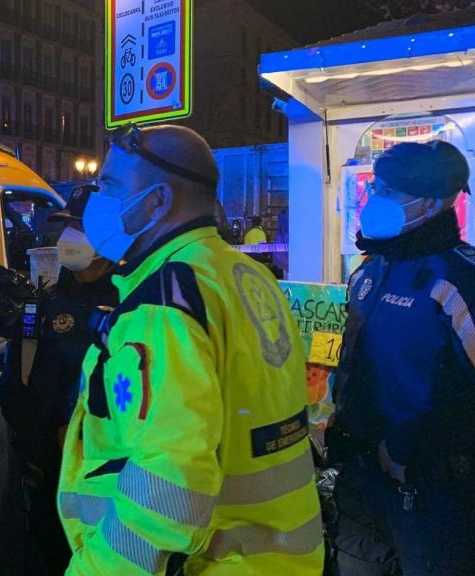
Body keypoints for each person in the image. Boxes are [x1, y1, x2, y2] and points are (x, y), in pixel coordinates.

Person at [57, 125, 323, 575]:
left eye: (111, 185)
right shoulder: (247, 275)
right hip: (280, 557)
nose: (99, 198)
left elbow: (167, 481)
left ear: (157, 201)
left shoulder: (165, 303)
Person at [328, 141, 475, 576]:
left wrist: (414, 447)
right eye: (376, 187)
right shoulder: (368, 272)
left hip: (433, 497)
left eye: (389, 191)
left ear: (430, 202)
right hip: (358, 485)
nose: (375, 200)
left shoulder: (458, 279)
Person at [18, 184, 118, 575]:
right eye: (67, 227)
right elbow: (22, 383)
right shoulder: (43, 303)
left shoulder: (133, 303)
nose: (69, 238)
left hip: (108, 468)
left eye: (81, 227)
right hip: (51, 468)